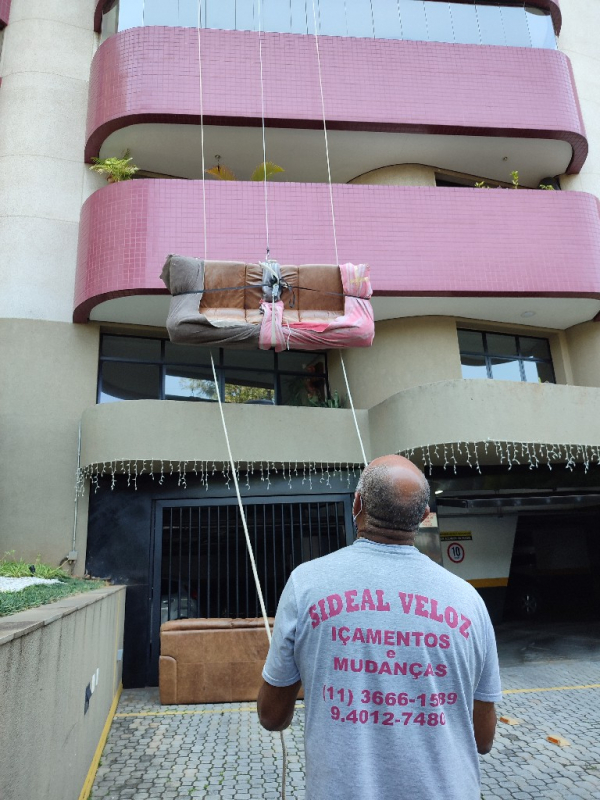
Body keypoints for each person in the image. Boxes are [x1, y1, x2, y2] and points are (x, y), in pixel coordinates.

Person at [257, 455, 501, 800]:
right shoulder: (469, 601)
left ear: (358, 505)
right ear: (423, 516)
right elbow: (483, 738)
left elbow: (271, 716)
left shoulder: (306, 585)